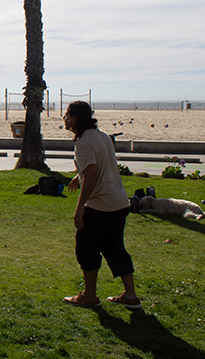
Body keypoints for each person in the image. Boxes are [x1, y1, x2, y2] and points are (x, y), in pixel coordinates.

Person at [63, 101, 140, 309]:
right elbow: (99, 166)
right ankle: (130, 296)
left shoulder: (83, 142)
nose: (64, 118)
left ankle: (89, 295)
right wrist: (78, 177)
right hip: (120, 202)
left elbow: (93, 174)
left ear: (75, 118)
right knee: (115, 248)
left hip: (100, 205)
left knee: (86, 248)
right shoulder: (103, 136)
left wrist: (79, 208)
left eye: (67, 114)